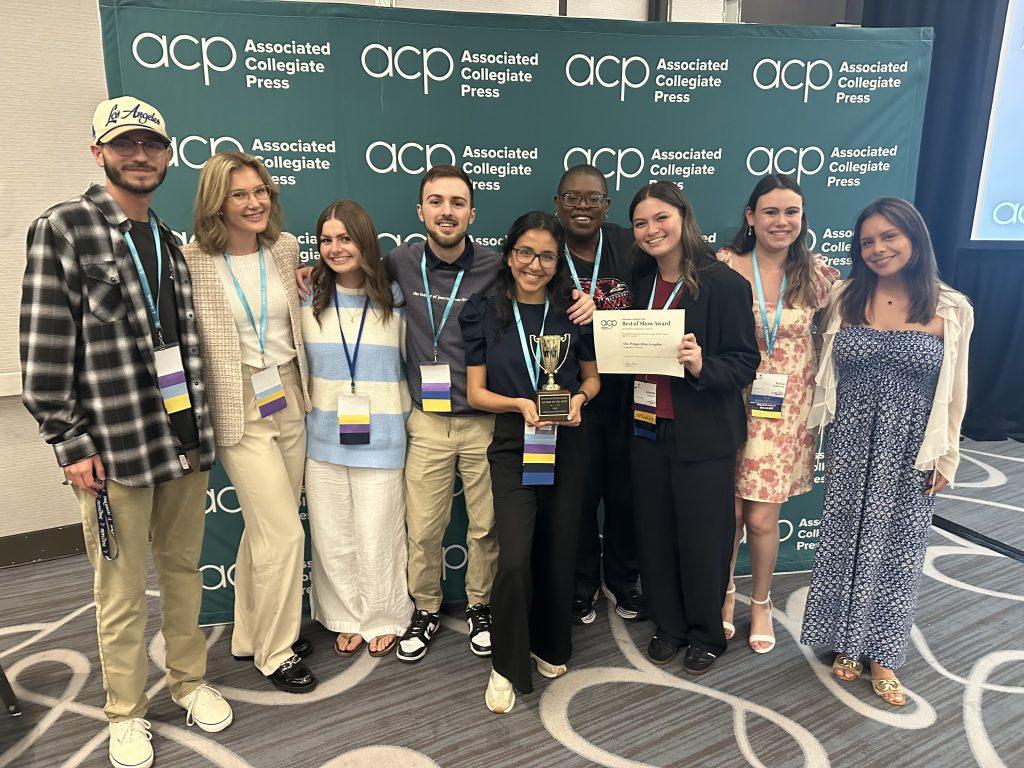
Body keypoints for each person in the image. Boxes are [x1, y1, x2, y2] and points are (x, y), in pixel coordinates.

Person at [298, 165, 594, 664]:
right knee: (425, 527)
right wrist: (310, 272)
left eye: (457, 203)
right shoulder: (399, 262)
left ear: (472, 213)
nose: (447, 212)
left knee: (486, 526)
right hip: (426, 421)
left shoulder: (500, 266)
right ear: (421, 211)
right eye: (436, 202)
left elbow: (542, 282)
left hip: (487, 418)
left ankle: (480, 607)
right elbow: (350, 270)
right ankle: (427, 608)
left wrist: (580, 300)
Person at [20, 96, 233, 768]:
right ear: (99, 154)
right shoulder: (64, 228)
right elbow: (44, 344)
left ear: (168, 155)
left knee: (182, 572)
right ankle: (124, 713)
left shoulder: (170, 242)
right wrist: (67, 438)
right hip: (114, 449)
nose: (139, 155)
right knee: (119, 587)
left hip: (183, 438)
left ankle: (190, 680)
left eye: (151, 144)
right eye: (124, 144)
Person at [800, 197, 973, 707]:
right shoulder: (843, 296)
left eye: (889, 237)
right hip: (852, 442)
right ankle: (844, 642)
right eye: (868, 241)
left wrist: (948, 455)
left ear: (915, 238)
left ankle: (885, 653)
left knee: (900, 550)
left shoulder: (950, 307)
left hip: (913, 447)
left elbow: (957, 388)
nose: (878, 249)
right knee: (844, 540)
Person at [182, 151, 316, 693]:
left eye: (261, 191)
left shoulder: (284, 249)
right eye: (241, 193)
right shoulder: (190, 260)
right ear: (218, 201)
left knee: (265, 527)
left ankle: (248, 634)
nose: (256, 201)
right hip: (236, 400)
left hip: (287, 390)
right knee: (284, 531)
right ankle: (275, 652)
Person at [460, 211, 601, 713]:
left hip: (568, 445)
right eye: (525, 252)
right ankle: (506, 662)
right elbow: (476, 393)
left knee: (559, 548)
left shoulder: (573, 311)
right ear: (509, 252)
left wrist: (580, 401)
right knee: (515, 556)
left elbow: (592, 380)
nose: (534, 265)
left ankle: (548, 641)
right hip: (510, 443)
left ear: (558, 258)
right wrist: (520, 406)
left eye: (545, 255)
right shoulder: (483, 310)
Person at [628, 181, 759, 676]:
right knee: (655, 532)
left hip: (703, 433)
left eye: (661, 217)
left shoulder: (724, 284)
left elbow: (744, 363)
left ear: (684, 216)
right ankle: (670, 624)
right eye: (641, 223)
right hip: (645, 428)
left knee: (704, 538)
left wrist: (704, 365)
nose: (651, 229)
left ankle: (706, 633)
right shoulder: (638, 284)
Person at [716, 174, 839, 653]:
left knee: (763, 521)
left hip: (784, 414)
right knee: (727, 514)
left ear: (803, 219)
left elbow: (838, 337)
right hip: (728, 403)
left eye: (792, 212)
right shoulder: (723, 266)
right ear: (750, 217)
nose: (781, 221)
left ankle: (761, 601)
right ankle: (723, 593)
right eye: (770, 211)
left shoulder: (817, 275)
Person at [301, 200, 413, 659]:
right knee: (332, 535)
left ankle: (384, 616)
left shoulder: (398, 300)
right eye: (326, 240)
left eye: (345, 238)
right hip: (323, 437)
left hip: (383, 438)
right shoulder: (307, 300)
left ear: (364, 240)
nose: (335, 248)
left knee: (379, 533)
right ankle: (344, 616)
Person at [554, 164, 644, 625]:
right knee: (580, 495)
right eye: (572, 198)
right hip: (572, 396)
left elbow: (689, 260)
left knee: (625, 495)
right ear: (558, 203)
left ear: (607, 205)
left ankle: (625, 580)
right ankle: (582, 583)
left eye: (592, 198)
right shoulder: (545, 246)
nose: (582, 207)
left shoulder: (630, 244)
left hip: (630, 395)